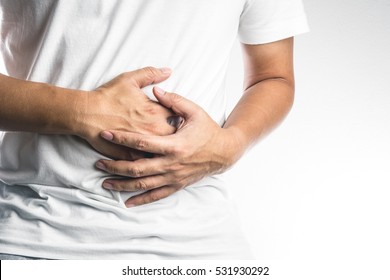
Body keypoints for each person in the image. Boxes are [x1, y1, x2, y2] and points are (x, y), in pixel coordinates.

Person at [0, 0, 308, 259]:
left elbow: (273, 76)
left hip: (204, 240)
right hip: (38, 234)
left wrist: (231, 144)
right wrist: (85, 111)